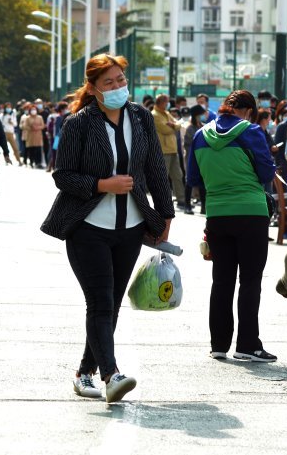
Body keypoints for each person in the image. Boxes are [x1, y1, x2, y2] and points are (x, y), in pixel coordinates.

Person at [40, 54, 174, 403]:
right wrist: (102, 185)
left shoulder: (141, 117)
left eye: (119, 80)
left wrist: (165, 217)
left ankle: (84, 372)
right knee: (99, 301)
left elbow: (157, 170)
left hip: (131, 227)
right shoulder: (79, 124)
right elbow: (63, 176)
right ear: (94, 88)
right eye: (108, 83)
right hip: (87, 228)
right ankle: (111, 375)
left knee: (111, 305)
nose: (116, 87)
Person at [186, 90, 277, 364]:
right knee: (250, 281)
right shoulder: (250, 131)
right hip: (251, 213)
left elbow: (193, 177)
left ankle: (219, 344)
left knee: (221, 280)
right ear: (248, 110)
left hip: (217, 213)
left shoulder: (201, 134)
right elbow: (266, 173)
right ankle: (248, 345)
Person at [152, 94, 186, 209]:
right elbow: (165, 129)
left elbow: (178, 124)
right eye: (166, 102)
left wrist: (174, 125)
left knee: (178, 175)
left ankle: (181, 199)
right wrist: (174, 126)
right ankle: (162, 200)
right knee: (163, 176)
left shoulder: (166, 113)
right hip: (163, 150)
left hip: (172, 149)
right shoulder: (155, 115)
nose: (167, 104)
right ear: (160, 102)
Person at [182, 105, 208, 215]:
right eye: (202, 114)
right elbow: (189, 144)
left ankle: (203, 206)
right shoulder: (190, 128)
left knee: (202, 181)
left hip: (203, 158)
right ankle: (187, 205)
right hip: (191, 157)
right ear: (196, 115)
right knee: (190, 180)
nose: (204, 116)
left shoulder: (204, 126)